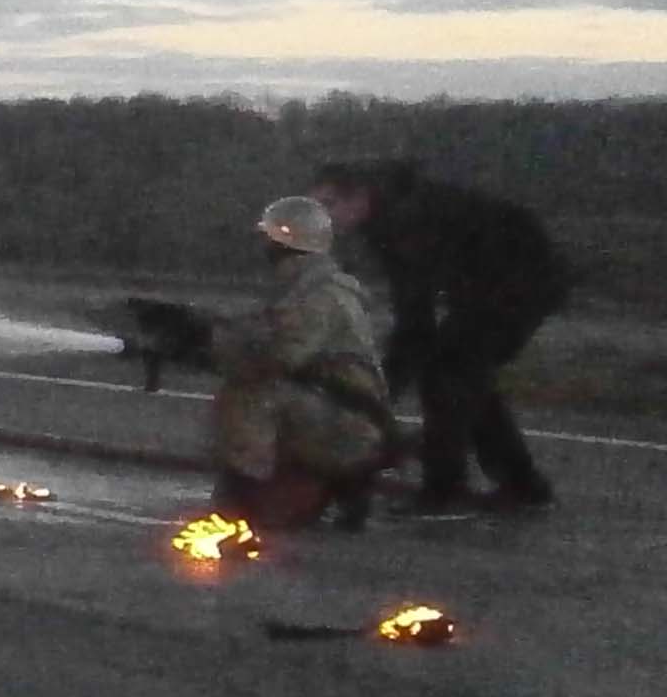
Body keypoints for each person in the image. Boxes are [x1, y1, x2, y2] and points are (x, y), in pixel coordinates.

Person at [313, 157, 567, 516]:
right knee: (465, 376)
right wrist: (382, 387)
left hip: (519, 281)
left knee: (449, 374)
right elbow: (413, 316)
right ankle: (522, 484)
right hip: (491, 282)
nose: (324, 215)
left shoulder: (406, 221)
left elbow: (416, 317)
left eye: (330, 203)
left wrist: (379, 392)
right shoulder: (385, 220)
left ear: (360, 196)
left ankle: (445, 490)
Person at [207, 195, 395, 530]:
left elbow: (281, 358)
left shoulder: (317, 296)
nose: (264, 246)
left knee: (251, 396)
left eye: (270, 239)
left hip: (347, 423)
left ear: (284, 244)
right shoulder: (311, 287)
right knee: (260, 389)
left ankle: (240, 498)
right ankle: (334, 486)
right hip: (342, 414)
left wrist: (215, 347)